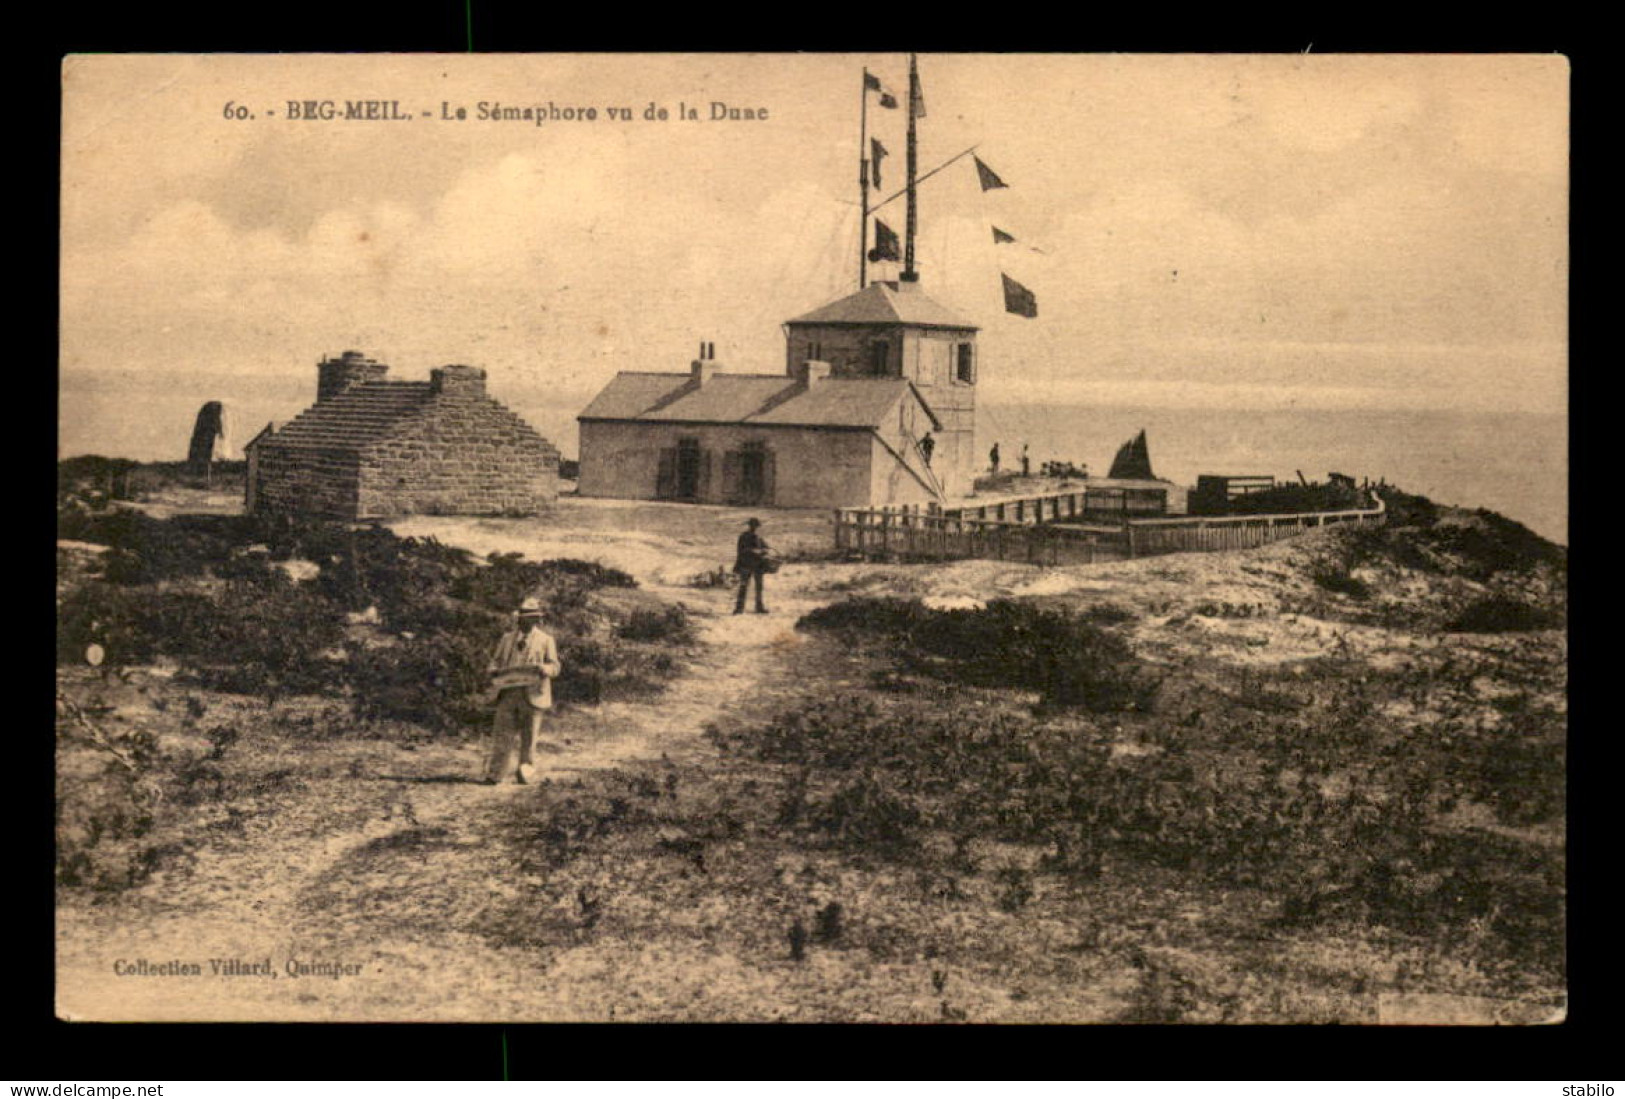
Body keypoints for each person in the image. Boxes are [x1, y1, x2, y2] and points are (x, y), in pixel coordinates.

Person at [483, 596, 561, 785]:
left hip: (533, 694)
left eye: (532, 617)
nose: (527, 620)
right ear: (518, 618)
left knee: (529, 738)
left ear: (537, 620)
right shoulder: (507, 639)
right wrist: (492, 670)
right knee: (502, 735)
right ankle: (495, 774)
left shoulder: (546, 640)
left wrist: (545, 669)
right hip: (508, 693)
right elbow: (496, 660)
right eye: (524, 616)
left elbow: (555, 666)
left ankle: (525, 772)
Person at [734, 517, 770, 615]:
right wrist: (756, 551)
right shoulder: (744, 537)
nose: (754, 528)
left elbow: (766, 547)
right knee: (744, 586)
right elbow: (742, 550)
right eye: (753, 526)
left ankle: (759, 607)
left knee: (758, 587)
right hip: (746, 564)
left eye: (756, 526)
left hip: (757, 565)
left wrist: (765, 550)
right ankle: (739, 609)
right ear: (750, 526)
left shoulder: (758, 537)